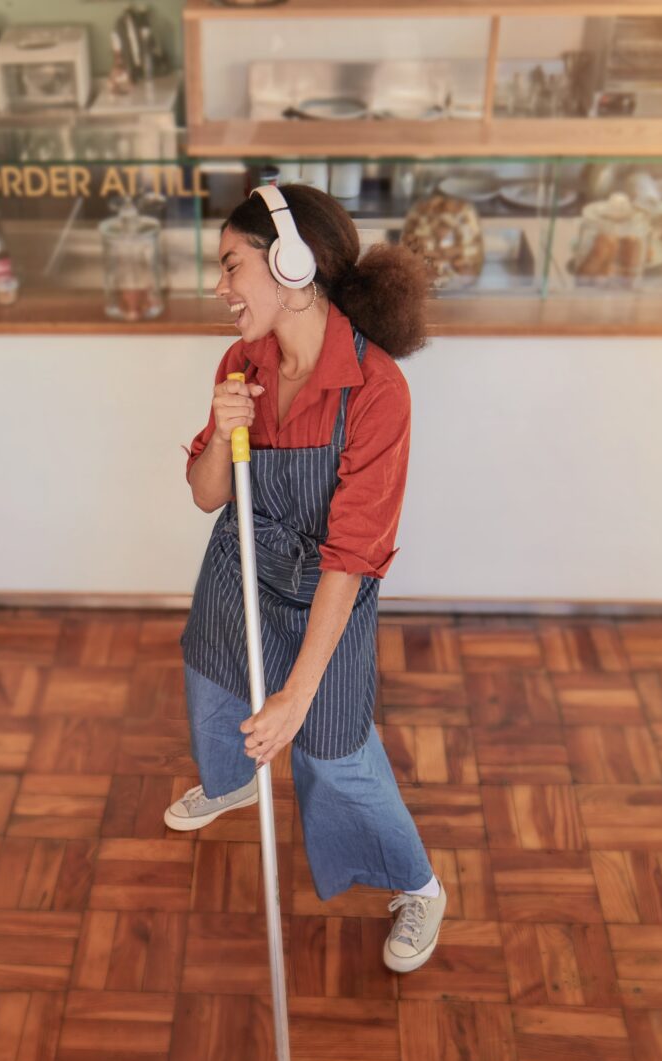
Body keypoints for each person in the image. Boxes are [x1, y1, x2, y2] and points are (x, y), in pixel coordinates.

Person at [170, 181, 446, 973]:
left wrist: (296, 694)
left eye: (231, 267)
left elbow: (353, 556)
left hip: (329, 586)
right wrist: (225, 433)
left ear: (291, 263)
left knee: (330, 743)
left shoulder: (376, 390)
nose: (219, 290)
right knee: (215, 677)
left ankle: (417, 884)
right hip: (239, 562)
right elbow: (206, 497)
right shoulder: (241, 361)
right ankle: (231, 784)